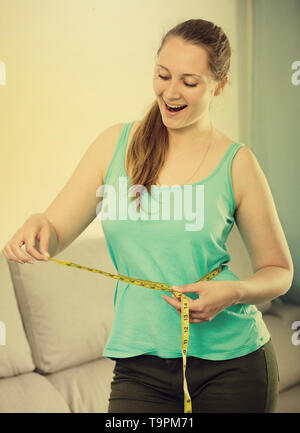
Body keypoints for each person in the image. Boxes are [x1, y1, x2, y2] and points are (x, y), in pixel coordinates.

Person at [2, 18, 293, 413]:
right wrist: (38, 226)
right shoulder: (115, 146)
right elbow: (52, 232)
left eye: (190, 82)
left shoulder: (237, 163)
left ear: (219, 85)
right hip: (140, 366)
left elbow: (279, 271)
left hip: (233, 365)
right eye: (163, 75)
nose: (171, 92)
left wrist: (234, 292)